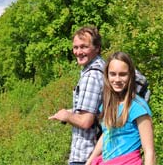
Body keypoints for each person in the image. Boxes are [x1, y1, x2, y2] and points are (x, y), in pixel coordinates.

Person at [86, 52, 156, 165]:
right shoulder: (107, 105)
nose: (117, 79)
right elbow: (107, 134)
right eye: (113, 74)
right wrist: (90, 161)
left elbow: (149, 151)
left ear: (130, 76)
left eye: (123, 74)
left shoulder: (138, 107)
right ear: (107, 75)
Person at [49, 26, 106, 165]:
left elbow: (86, 121)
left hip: (86, 154)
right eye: (75, 47)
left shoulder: (92, 76)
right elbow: (94, 111)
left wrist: (66, 115)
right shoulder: (102, 68)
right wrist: (69, 112)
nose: (78, 52)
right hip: (98, 152)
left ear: (97, 47)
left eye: (84, 47)